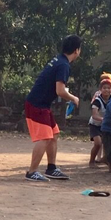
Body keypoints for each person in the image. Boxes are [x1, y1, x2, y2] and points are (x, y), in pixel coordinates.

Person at [24, 35, 82, 181]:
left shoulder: (58, 60)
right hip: (37, 104)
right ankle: (32, 172)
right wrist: (74, 98)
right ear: (76, 50)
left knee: (54, 134)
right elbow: (60, 91)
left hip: (42, 103)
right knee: (45, 137)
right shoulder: (63, 65)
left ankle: (51, 168)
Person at [88, 77, 111, 167]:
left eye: (108, 88)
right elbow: (95, 115)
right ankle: (91, 161)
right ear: (100, 89)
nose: (106, 90)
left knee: (108, 144)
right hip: (95, 125)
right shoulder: (97, 101)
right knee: (98, 143)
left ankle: (106, 160)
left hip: (106, 126)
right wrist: (104, 119)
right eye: (104, 88)